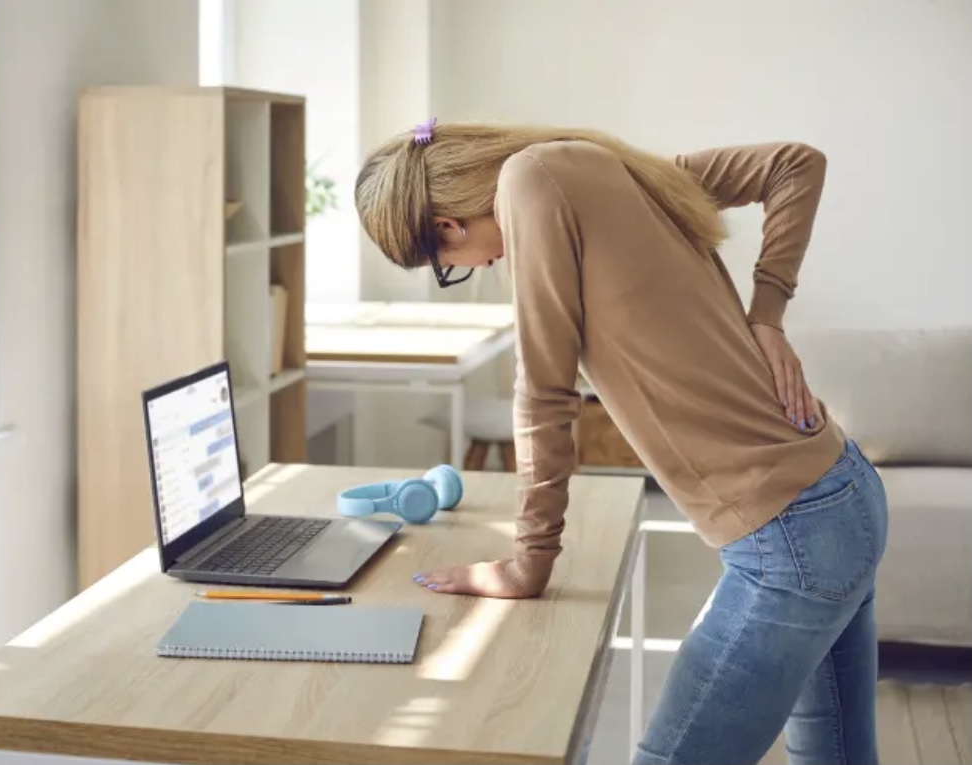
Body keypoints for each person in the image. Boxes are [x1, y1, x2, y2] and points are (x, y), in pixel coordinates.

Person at [353, 118, 889, 765]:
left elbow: (544, 393)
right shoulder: (599, 165)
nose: (480, 266)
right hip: (841, 493)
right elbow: (794, 163)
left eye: (446, 268)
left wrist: (529, 561)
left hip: (792, 540)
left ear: (445, 227)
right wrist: (765, 314)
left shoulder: (528, 184)